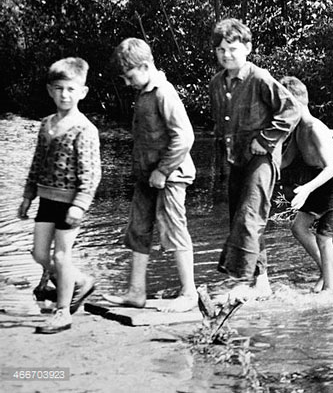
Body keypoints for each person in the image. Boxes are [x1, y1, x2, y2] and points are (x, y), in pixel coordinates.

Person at [102, 38, 198, 313]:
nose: (127, 83)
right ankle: (136, 292)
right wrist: (149, 172)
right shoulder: (143, 93)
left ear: (145, 66)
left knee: (173, 230)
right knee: (138, 230)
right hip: (147, 176)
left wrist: (163, 170)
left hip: (171, 176)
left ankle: (189, 293)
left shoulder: (164, 93)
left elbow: (185, 137)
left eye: (130, 76)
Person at [209, 19, 301, 301]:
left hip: (261, 159)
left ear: (248, 48)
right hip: (234, 158)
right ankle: (261, 281)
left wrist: (266, 139)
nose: (227, 55)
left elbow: (291, 110)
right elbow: (220, 125)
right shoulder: (217, 83)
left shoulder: (260, 78)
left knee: (249, 217)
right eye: (221, 49)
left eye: (233, 49)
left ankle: (241, 282)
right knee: (242, 218)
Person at [18, 58, 101, 334]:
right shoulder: (46, 125)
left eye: (70, 89)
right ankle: (79, 281)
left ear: (82, 92)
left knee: (63, 256)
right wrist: (28, 196)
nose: (65, 95)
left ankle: (63, 312)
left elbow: (91, 174)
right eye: (59, 88)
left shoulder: (85, 129)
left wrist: (80, 205)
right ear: (50, 91)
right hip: (46, 199)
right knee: (40, 253)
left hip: (70, 204)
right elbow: (36, 162)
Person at [280, 76, 333, 295]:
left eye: (284, 108)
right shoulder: (297, 130)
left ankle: (330, 289)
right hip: (319, 182)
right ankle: (328, 271)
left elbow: (330, 169)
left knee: (324, 237)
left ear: (297, 104)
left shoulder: (314, 128)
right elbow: (284, 161)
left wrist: (305, 189)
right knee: (298, 228)